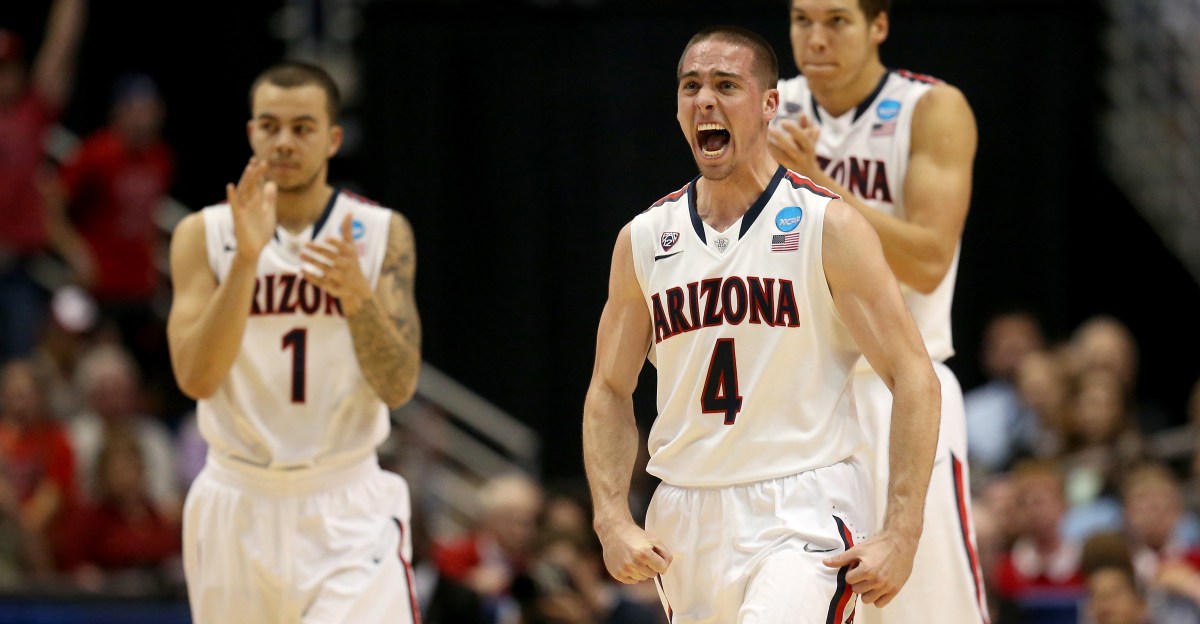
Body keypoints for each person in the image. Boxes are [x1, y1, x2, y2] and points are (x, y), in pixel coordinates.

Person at [583, 26, 940, 623]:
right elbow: (609, 391)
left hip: (801, 505)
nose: (704, 101)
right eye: (690, 86)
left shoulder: (829, 227)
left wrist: (901, 532)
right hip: (684, 515)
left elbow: (913, 375)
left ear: (769, 104)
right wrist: (612, 517)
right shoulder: (644, 240)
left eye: (726, 85)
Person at [166, 61, 422, 623]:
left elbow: (399, 386)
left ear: (332, 138)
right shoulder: (202, 235)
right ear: (251, 132)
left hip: (346, 501)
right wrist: (246, 263)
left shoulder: (382, 234)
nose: (284, 141)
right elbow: (195, 378)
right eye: (269, 125)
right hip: (237, 499)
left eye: (302, 127)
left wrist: (357, 298)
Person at [767, 1, 985, 622]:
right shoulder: (765, 106)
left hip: (902, 390)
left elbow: (929, 259)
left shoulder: (932, 109)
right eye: (802, 20)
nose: (816, 38)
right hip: (801, 395)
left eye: (836, 21)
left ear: (878, 26)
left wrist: (814, 181)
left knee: (927, 608)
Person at [0, 0, 88, 360]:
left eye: (7, 68)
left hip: (18, 269)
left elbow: (61, 44)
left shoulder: (33, 111)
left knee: (23, 366)